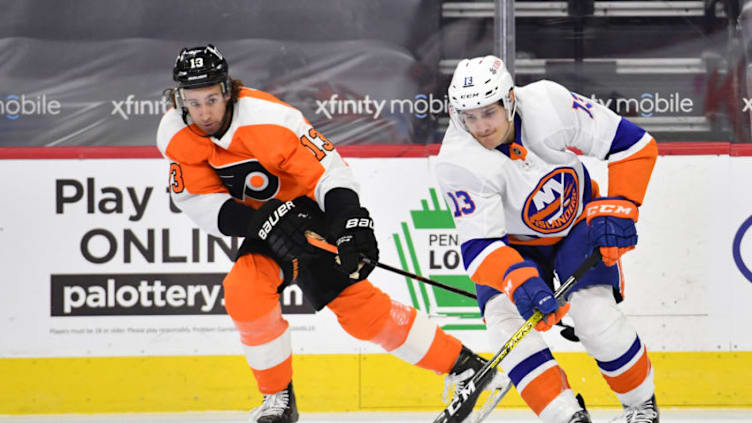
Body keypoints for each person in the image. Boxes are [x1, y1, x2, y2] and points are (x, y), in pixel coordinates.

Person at [156, 44, 499, 423]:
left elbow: (329, 172)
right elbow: (198, 200)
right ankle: (278, 401)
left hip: (311, 213)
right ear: (179, 98)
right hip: (265, 223)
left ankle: (465, 366)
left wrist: (349, 221)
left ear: (227, 90)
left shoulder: (272, 120)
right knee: (245, 290)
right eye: (193, 101)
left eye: (211, 99)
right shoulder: (174, 132)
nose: (203, 112)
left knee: (359, 312)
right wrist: (258, 222)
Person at [433, 55, 660, 423]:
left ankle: (641, 408)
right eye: (468, 117)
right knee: (505, 324)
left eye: (488, 113)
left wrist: (621, 205)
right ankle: (565, 416)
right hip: (512, 246)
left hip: (576, 224)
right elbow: (478, 247)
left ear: (509, 99)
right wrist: (518, 279)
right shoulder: (458, 161)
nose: (480, 127)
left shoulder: (549, 103)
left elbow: (634, 146)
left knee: (594, 316)